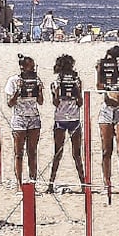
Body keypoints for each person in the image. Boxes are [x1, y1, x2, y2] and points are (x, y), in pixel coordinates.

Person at [96, 46, 119, 195]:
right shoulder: (105, 72)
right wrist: (99, 71)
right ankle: (107, 183)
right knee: (106, 150)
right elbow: (99, 88)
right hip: (106, 110)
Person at [46, 54, 86, 194]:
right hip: (62, 119)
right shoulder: (55, 83)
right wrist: (57, 92)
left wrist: (77, 91)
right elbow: (55, 102)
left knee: (77, 154)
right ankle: (51, 184)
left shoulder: (76, 81)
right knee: (58, 152)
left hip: (73, 118)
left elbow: (80, 102)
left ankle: (83, 184)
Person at [5, 55, 44, 186]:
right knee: (19, 153)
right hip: (19, 119)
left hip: (33, 118)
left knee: (32, 152)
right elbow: (10, 103)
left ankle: (33, 182)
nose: (32, 70)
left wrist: (39, 90)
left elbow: (41, 101)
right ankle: (19, 183)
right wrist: (18, 90)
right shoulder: (13, 80)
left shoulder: (36, 79)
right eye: (30, 67)